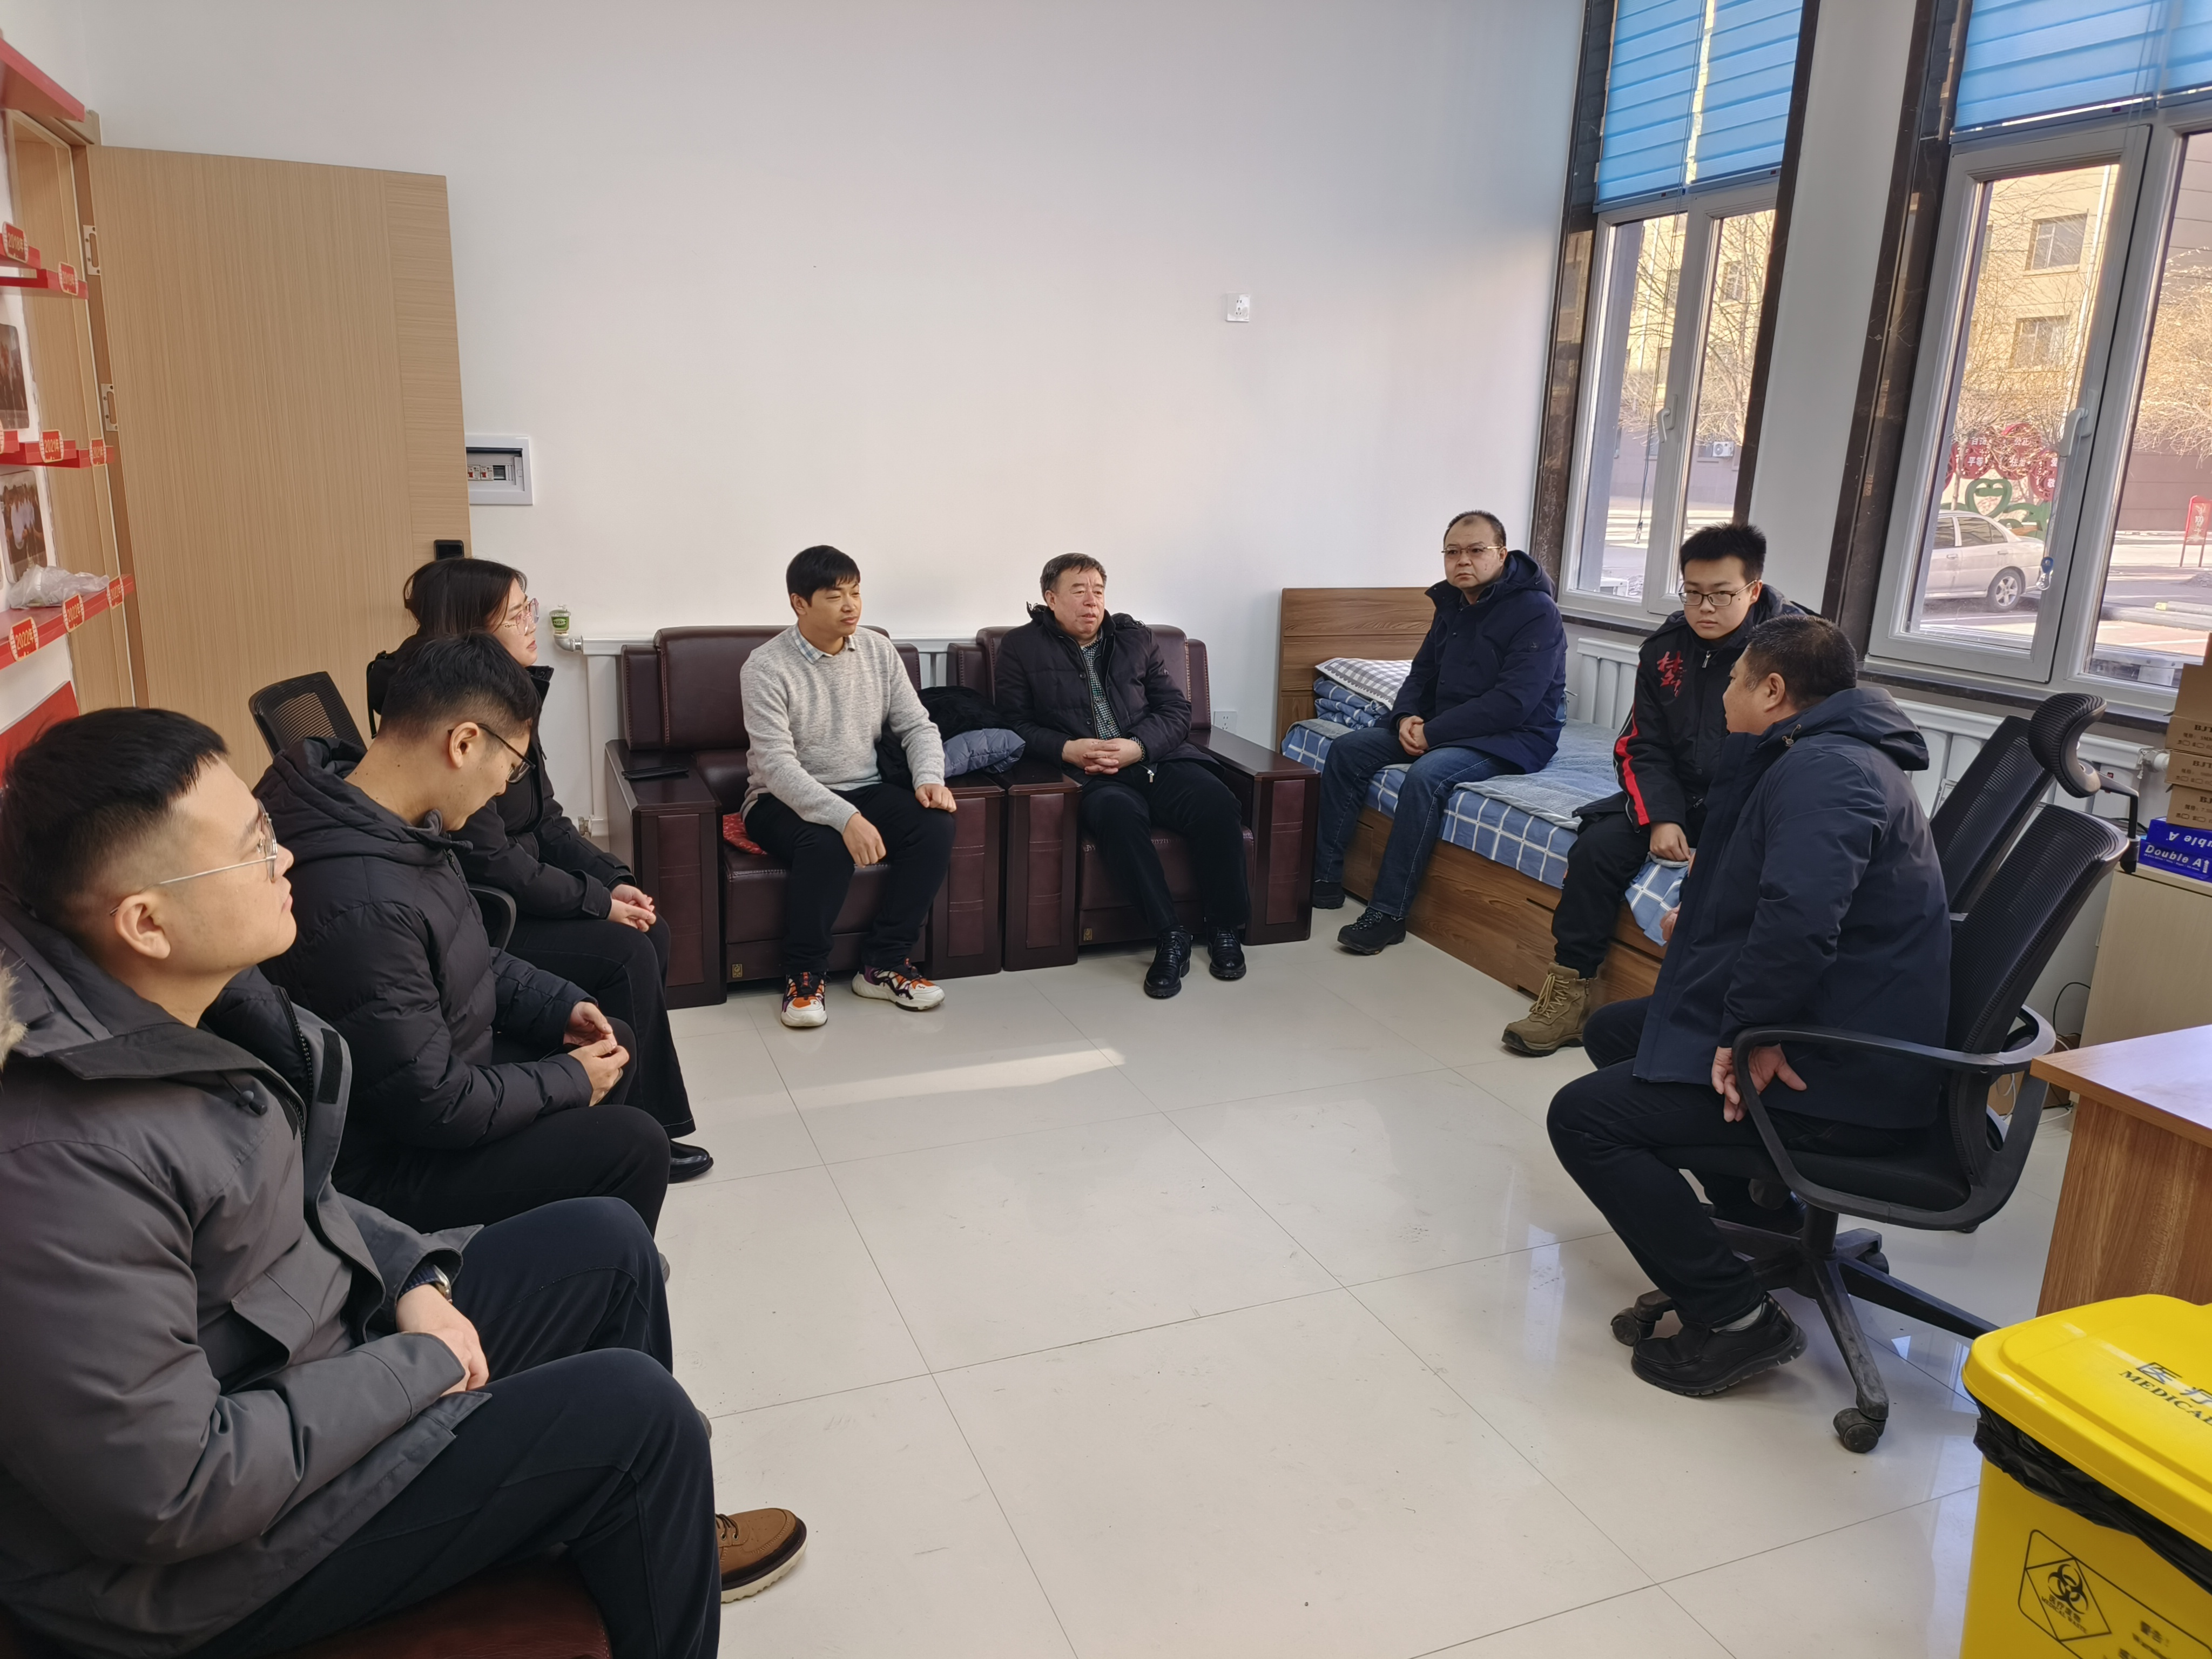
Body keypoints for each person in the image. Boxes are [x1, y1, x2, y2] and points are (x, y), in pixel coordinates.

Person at [0, 707, 804, 1659]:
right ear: (147, 920)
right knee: (638, 1420)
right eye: (252, 847)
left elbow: (302, 1194)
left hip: (313, 1365)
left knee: (606, 1248)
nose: (285, 858)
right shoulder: (57, 1159)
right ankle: (629, 1504)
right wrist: (414, 1365)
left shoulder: (198, 1004)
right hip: (201, 1572)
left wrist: (412, 1277)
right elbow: (173, 1492)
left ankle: (639, 1537)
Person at [1546, 615, 1951, 1399]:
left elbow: (1800, 921)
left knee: (1586, 1119)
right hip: (1839, 1025)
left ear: (1772, 690)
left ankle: (1735, 1318)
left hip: (1840, 1070)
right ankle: (1760, 1211)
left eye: (1733, 680)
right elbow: (1779, 890)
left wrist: (1745, 1036)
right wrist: (1700, 919)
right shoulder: (1819, 753)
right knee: (1618, 1031)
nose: (1723, 692)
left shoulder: (1827, 771)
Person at [258, 634, 673, 1232]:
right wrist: (569, 1080)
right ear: (464, 743)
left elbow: (465, 947)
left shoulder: (389, 818)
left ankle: (585, 1240)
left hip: (436, 1068)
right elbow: (435, 1104)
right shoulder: (365, 901)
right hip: (392, 1160)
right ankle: (585, 1266)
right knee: (634, 1143)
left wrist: (559, 1005)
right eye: (510, 767)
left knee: (613, 1044)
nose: (504, 787)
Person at [367, 557, 710, 1182]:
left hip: (517, 885)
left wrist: (612, 877)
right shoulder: (453, 723)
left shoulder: (510, 693)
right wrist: (597, 903)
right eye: (517, 614)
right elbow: (492, 859)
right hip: (491, 902)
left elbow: (546, 819)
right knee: (627, 952)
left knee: (646, 929)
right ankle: (631, 1126)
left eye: (530, 607)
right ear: (471, 629)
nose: (533, 623)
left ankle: (634, 1111)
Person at [1504, 522, 1801, 1055]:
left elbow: (1789, 758)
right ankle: (1568, 995)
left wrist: (1724, 832)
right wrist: (1663, 816)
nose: (1704, 608)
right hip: (1675, 794)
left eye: (1721, 595)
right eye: (1692, 593)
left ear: (1753, 589)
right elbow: (1640, 745)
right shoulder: (1664, 650)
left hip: (1752, 805)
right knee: (1595, 849)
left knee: (1725, 880)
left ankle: (1700, 1020)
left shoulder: (1793, 656)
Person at [994, 554, 1250, 997]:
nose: (1092, 601)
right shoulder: (1020, 647)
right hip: (1090, 774)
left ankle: (1225, 927)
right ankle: (1170, 935)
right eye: (1079, 591)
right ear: (1051, 598)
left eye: (1098, 591)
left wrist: (1138, 746)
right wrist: (1067, 748)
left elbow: (1177, 710)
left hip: (1156, 761)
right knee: (1118, 817)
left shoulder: (1135, 638)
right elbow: (1012, 724)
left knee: (1216, 802)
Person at [1311, 511, 1566, 954]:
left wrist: (1433, 733)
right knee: (1348, 749)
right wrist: (1406, 718)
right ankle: (1323, 877)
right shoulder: (1453, 603)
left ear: (1501, 554)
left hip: (1513, 736)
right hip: (1444, 727)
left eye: (1476, 550)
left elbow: (1513, 702)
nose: (1462, 560)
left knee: (1426, 776)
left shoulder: (1536, 612)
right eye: (1453, 552)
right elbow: (1422, 672)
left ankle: (1388, 912)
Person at [741, 544, 957, 1029]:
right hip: (779, 798)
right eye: (835, 596)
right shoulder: (765, 667)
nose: (850, 606)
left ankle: (884, 964)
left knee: (934, 827)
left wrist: (929, 778)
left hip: (864, 786)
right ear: (800, 603)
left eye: (856, 593)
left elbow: (917, 726)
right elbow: (776, 767)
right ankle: (804, 974)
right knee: (826, 843)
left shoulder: (878, 650)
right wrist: (846, 818)